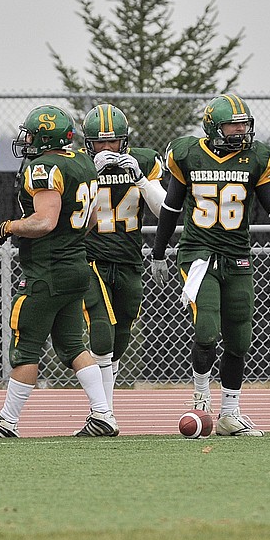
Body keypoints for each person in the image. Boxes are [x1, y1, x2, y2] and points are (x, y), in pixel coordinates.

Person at [150, 94, 270, 436]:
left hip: (237, 256)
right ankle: (201, 396)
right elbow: (172, 208)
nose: (241, 130)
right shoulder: (189, 154)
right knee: (206, 330)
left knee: (239, 339)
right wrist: (159, 252)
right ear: (213, 127)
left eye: (244, 124)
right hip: (198, 254)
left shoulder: (256, 157)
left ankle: (230, 414)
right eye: (233, 125)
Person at [0, 106, 117, 439]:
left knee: (25, 348)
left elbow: (45, 221)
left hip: (46, 271)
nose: (25, 140)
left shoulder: (43, 168)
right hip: (75, 265)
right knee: (71, 346)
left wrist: (9, 226)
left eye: (30, 134)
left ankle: (7, 423)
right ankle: (104, 414)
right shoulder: (83, 162)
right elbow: (92, 220)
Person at [80, 104, 165, 416]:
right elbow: (73, 218)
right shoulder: (79, 164)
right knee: (101, 328)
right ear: (88, 144)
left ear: (124, 141)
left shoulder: (142, 161)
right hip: (91, 257)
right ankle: (104, 412)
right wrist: (93, 175)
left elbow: (162, 209)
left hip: (129, 258)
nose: (106, 148)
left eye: (112, 142)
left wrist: (141, 179)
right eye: (99, 143)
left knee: (123, 330)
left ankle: (104, 410)